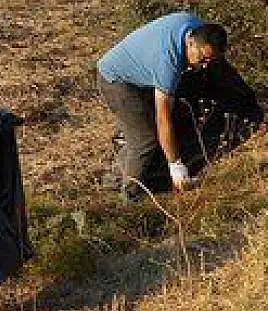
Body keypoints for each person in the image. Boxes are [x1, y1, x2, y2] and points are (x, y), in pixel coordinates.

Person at [97, 12, 229, 201]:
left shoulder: (199, 30)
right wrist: (176, 166)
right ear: (190, 43)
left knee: (142, 133)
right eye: (202, 58)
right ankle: (129, 196)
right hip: (116, 81)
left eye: (210, 59)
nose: (205, 65)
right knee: (145, 139)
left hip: (140, 72)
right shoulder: (168, 62)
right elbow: (163, 118)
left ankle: (113, 179)